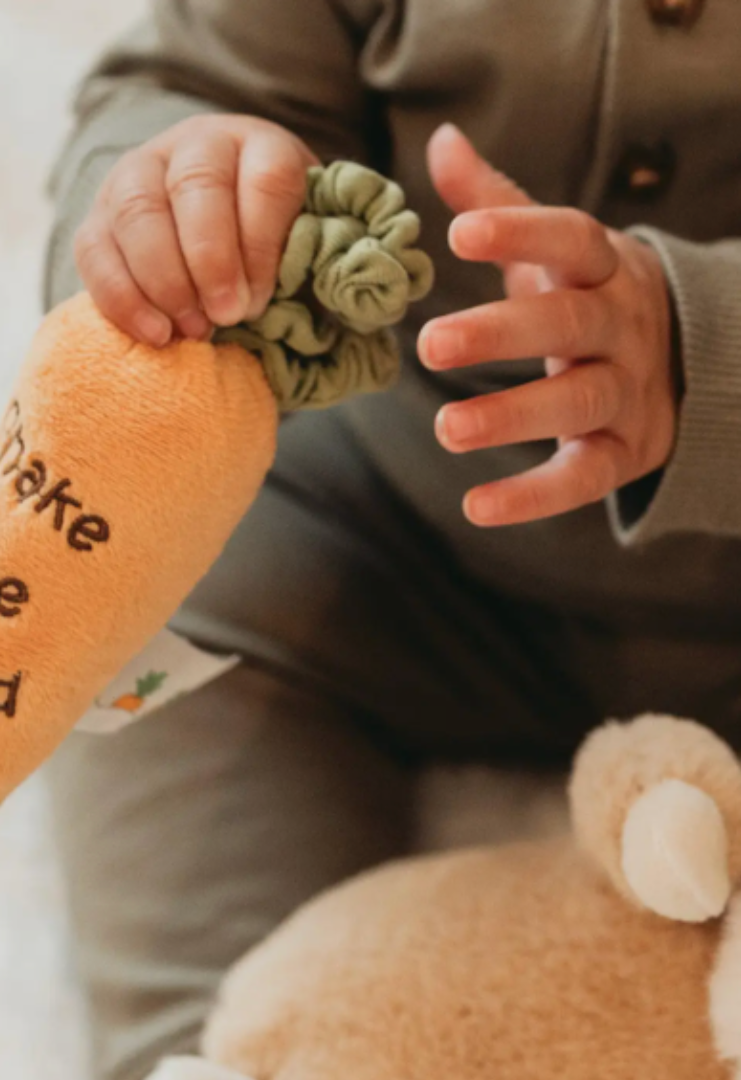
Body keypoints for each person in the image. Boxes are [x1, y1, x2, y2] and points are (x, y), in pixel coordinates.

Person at [40, 2, 741, 1078]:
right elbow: (190, 82)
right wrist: (177, 208)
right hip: (377, 525)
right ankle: (209, 1050)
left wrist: (708, 353)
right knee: (132, 604)